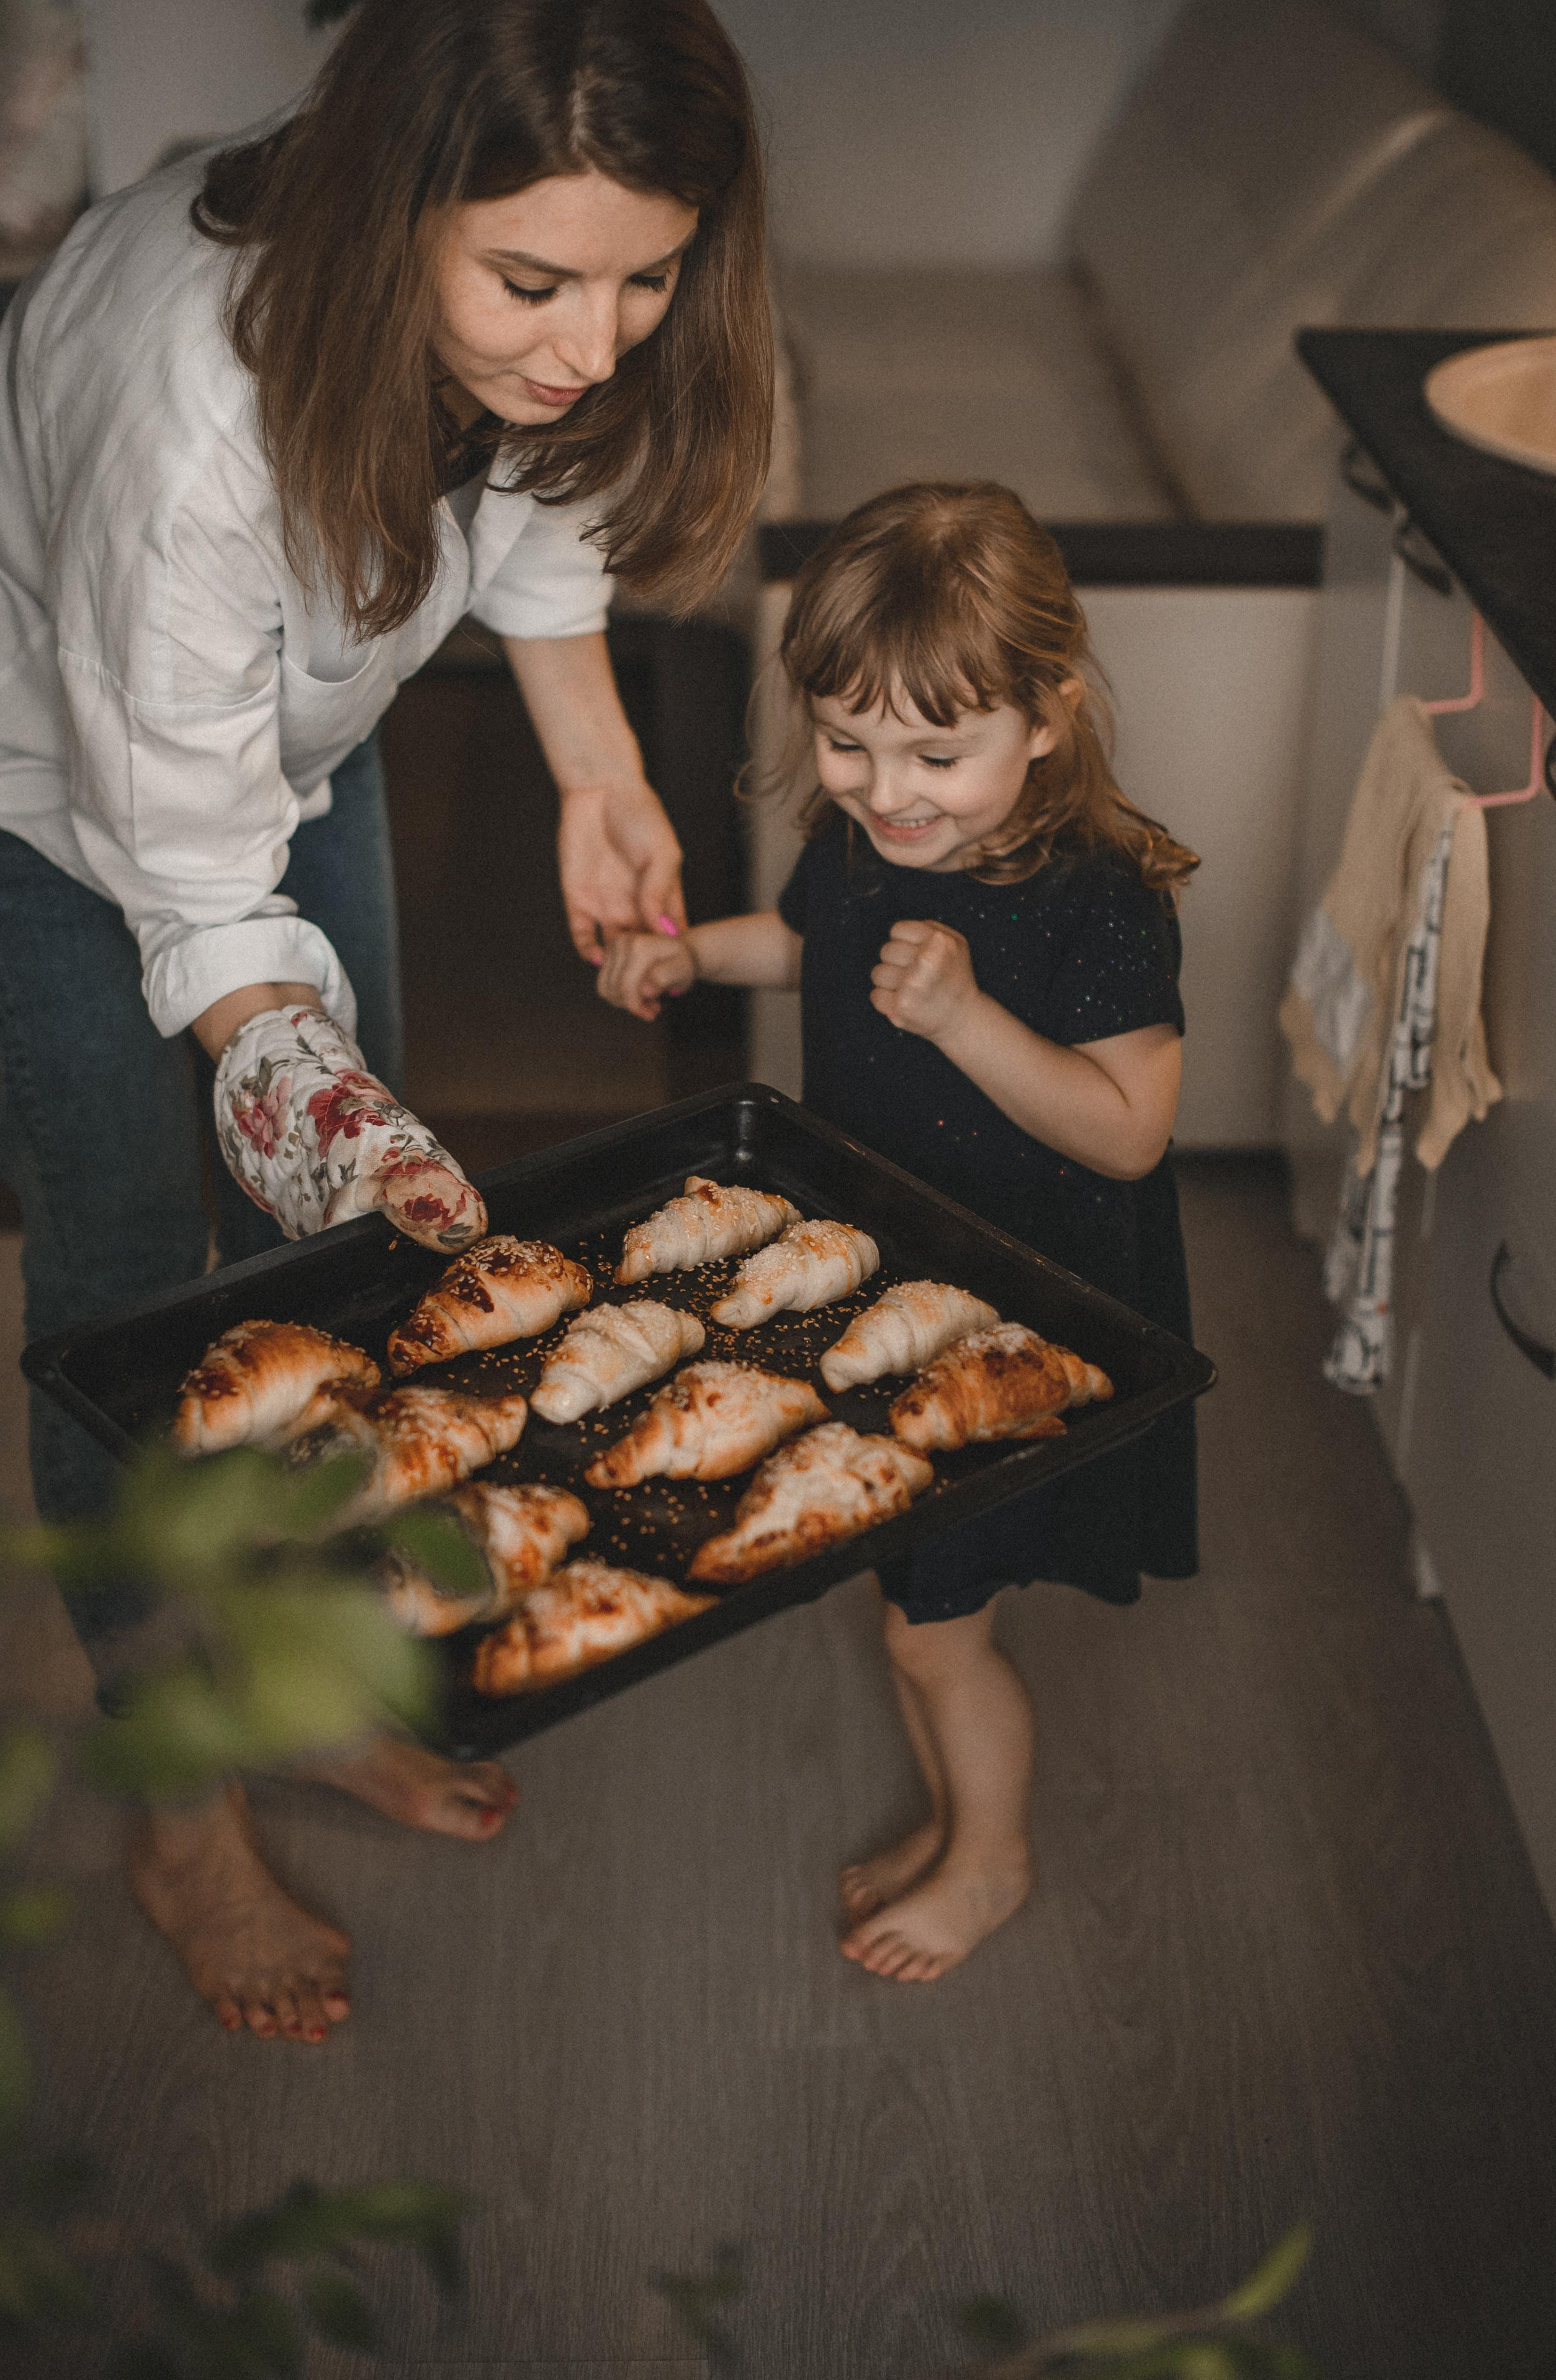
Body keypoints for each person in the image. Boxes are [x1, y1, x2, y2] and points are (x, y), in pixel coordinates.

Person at [0, 0, 773, 2041]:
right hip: (55, 793)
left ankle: (304, 1678)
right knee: (122, 1267)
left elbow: (533, 499)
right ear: (391, 209)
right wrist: (301, 1081)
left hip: (285, 749)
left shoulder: (521, 331)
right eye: (533, 281)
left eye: (647, 277)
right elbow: (192, 889)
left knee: (332, 1251)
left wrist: (602, 769)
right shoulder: (188, 429)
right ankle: (178, 1795)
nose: (593, 341)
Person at [597, 482, 1199, 1983]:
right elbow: (813, 948)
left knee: (934, 1623)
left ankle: (988, 1857)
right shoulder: (867, 843)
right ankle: (952, 1823)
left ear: (1046, 716)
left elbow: (1128, 1129)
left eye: (939, 752)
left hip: (1022, 1313)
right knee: (914, 1591)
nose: (887, 788)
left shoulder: (1096, 903)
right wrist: (687, 958)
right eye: (848, 741)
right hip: (896, 1278)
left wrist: (968, 1021)